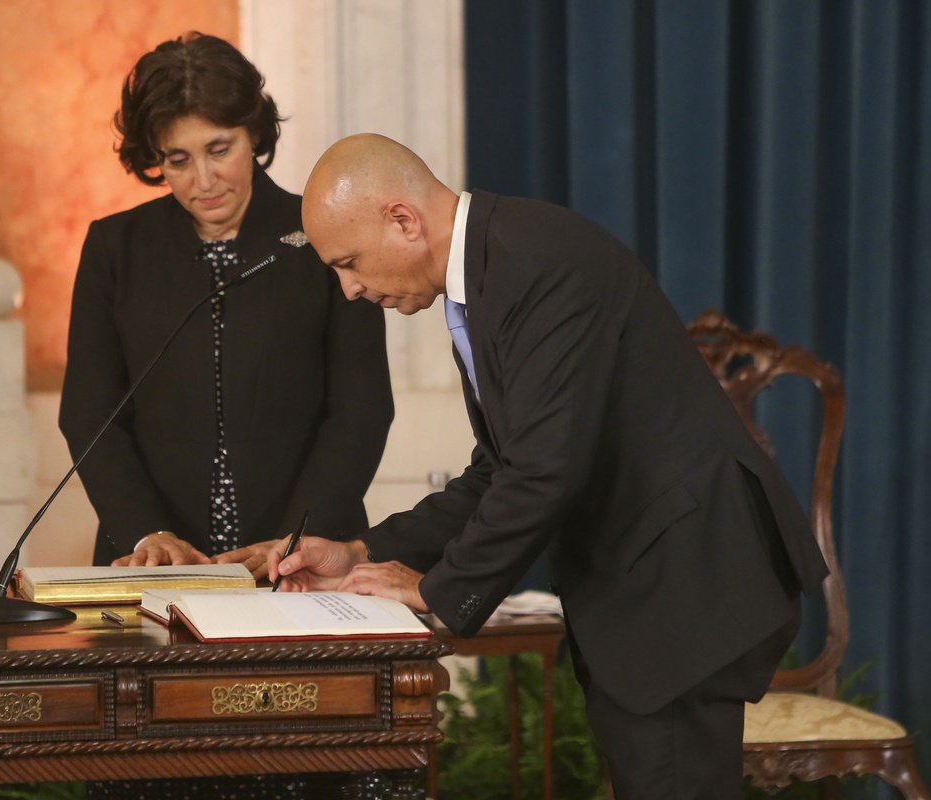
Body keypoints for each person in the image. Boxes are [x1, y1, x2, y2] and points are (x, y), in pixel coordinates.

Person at [272, 133, 830, 799]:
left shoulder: (535, 264)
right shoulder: (489, 272)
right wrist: (362, 552)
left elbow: (543, 471)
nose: (349, 289)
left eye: (349, 262)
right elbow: (500, 468)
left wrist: (434, 590)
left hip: (685, 584)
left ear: (403, 220)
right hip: (651, 592)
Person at [60, 38, 393, 800]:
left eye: (220, 150)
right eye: (177, 160)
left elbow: (361, 408)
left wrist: (298, 538)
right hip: (155, 581)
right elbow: (90, 413)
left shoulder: (319, 235)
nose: (203, 181)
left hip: (299, 575)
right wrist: (143, 531)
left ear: (254, 135)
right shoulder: (115, 248)